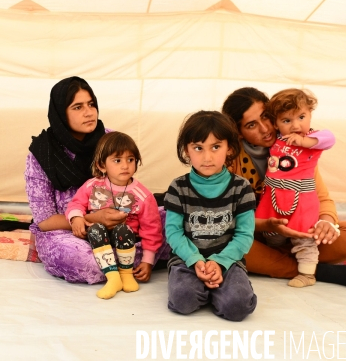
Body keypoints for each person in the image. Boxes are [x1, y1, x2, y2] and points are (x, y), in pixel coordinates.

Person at [221, 87, 346, 289]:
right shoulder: (228, 159)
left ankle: (280, 262)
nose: (265, 129)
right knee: (224, 242)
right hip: (257, 235)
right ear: (238, 133)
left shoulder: (300, 147)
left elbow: (321, 197)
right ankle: (312, 269)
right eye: (251, 125)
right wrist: (267, 225)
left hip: (300, 230)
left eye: (266, 117)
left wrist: (326, 223)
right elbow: (227, 216)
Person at [25, 77, 168, 284]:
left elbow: (126, 185)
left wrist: (120, 218)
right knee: (83, 260)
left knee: (175, 220)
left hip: (123, 226)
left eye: (91, 104)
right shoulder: (42, 154)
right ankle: (135, 261)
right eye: (77, 107)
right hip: (70, 231)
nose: (89, 112)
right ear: (60, 113)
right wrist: (93, 219)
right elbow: (45, 220)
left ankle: (135, 259)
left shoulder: (109, 139)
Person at [165, 111, 257, 321]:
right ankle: (204, 288)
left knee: (238, 306)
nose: (207, 157)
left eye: (216, 147)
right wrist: (195, 260)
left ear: (229, 148)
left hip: (228, 260)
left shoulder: (241, 188)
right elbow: (173, 232)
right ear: (187, 151)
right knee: (183, 299)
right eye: (198, 148)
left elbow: (244, 235)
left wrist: (220, 262)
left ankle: (218, 289)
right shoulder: (178, 188)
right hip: (187, 260)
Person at [65, 132, 163, 299]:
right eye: (117, 160)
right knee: (96, 228)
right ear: (102, 165)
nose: (125, 166)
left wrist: (147, 261)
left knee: (123, 230)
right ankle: (113, 277)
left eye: (130, 160)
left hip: (126, 241)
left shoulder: (143, 196)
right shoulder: (92, 185)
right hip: (97, 237)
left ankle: (126, 274)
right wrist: (76, 218)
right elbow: (75, 204)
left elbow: (152, 229)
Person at [255, 89, 336, 288]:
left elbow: (330, 138)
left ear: (310, 114)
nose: (296, 125)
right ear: (275, 124)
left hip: (300, 198)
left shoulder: (313, 139)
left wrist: (305, 141)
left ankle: (307, 274)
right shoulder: (277, 140)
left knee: (305, 237)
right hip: (273, 196)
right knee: (273, 237)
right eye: (286, 121)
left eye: (302, 117)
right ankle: (283, 256)